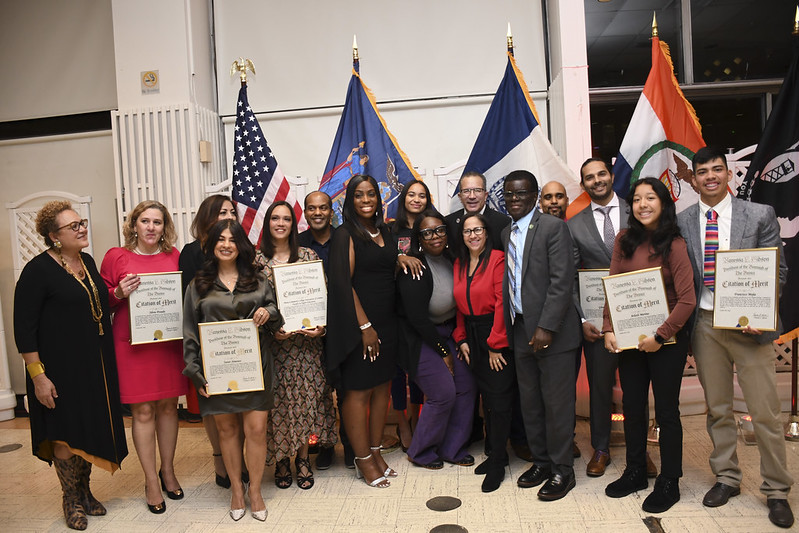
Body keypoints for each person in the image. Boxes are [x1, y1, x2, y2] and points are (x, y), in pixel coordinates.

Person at [677, 147, 794, 528]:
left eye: (716, 169)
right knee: (718, 409)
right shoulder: (683, 221)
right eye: (702, 172)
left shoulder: (758, 214)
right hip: (706, 325)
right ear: (693, 179)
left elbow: (777, 269)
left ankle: (776, 489)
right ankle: (727, 477)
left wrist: (762, 313)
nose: (709, 176)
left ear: (728, 174)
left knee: (764, 412)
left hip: (750, 327)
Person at [14, 201, 128, 530]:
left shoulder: (88, 262)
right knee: (63, 435)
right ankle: (71, 498)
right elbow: (24, 328)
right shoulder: (37, 271)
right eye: (73, 226)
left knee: (87, 429)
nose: (81, 229)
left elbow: (95, 304)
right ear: (54, 236)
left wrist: (117, 292)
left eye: (81, 223)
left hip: (93, 367)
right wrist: (38, 377)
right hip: (58, 370)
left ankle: (86, 491)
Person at [603, 177, 695, 514]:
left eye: (650, 198)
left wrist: (660, 336)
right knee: (632, 406)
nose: (643, 204)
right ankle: (636, 470)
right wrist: (609, 328)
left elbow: (687, 300)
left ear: (663, 203)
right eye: (637, 199)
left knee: (667, 412)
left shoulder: (675, 244)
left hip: (666, 341)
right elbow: (614, 287)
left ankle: (670, 479)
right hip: (629, 341)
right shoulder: (623, 240)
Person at [183, 219, 278, 521]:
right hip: (217, 370)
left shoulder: (259, 279)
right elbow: (188, 332)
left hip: (255, 367)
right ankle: (237, 488)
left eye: (232, 239)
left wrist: (268, 311)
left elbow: (276, 310)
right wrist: (195, 371)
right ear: (211, 245)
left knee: (257, 430)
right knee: (227, 431)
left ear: (241, 246)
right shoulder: (198, 285)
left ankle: (255, 490)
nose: (226, 244)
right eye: (220, 239)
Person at [100, 200, 189, 514]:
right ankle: (151, 481)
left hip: (167, 345)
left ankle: (168, 470)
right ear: (133, 225)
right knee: (142, 412)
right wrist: (118, 293)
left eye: (158, 222)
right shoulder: (116, 256)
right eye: (145, 221)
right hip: (132, 346)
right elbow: (100, 302)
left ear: (165, 227)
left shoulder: (175, 256)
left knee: (168, 408)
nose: (151, 228)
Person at [502, 170, 580, 502]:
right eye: (509, 194)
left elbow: (562, 281)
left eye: (521, 193)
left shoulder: (553, 226)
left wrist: (546, 327)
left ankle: (563, 469)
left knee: (557, 404)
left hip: (554, 333)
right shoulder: (506, 231)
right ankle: (542, 461)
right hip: (520, 328)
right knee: (530, 403)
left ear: (535, 195)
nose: (515, 199)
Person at [255, 201, 337, 491]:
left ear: (293, 224)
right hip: (275, 348)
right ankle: (281, 460)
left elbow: (323, 295)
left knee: (306, 403)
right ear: (268, 223)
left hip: (306, 347)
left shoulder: (307, 255)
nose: (280, 223)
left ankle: (302, 459)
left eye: (286, 219)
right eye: (275, 218)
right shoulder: (257, 261)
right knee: (279, 407)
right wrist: (271, 330)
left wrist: (321, 327)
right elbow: (252, 306)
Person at [326, 174, 399, 488]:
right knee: (358, 393)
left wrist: (403, 257)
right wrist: (365, 327)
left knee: (382, 388)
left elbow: (385, 265)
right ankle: (362, 458)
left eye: (371, 194)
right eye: (359, 195)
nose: (366, 200)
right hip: (359, 326)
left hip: (388, 323)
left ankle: (375, 450)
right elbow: (344, 283)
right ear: (350, 200)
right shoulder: (345, 234)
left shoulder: (384, 229)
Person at [397, 209, 476, 471]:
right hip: (421, 339)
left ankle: (452, 448)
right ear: (419, 237)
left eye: (440, 230)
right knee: (443, 393)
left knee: (466, 386)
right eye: (427, 232)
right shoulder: (414, 266)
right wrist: (443, 351)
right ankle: (420, 451)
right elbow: (417, 319)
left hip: (450, 332)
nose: (435, 237)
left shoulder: (454, 258)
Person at [568, 159, 629, 477]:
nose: (597, 181)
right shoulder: (574, 224)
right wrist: (582, 320)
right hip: (596, 324)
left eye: (601, 174)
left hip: (637, 318)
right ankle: (601, 449)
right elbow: (571, 278)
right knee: (600, 389)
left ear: (612, 176)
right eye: (589, 178)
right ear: (583, 185)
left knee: (636, 387)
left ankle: (638, 451)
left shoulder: (640, 213)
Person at [179, 194, 245, 489]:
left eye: (232, 211)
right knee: (213, 404)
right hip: (209, 342)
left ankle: (239, 458)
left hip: (241, 340)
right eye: (221, 212)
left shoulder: (241, 248)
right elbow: (189, 302)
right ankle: (219, 455)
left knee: (241, 401)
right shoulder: (192, 251)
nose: (228, 215)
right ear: (208, 216)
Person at [453, 212, 512, 493]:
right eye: (467, 231)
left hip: (493, 335)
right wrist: (462, 338)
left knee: (499, 401)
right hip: (472, 337)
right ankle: (494, 453)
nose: (473, 235)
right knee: (486, 400)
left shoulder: (498, 259)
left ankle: (499, 461)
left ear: (486, 233)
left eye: (478, 230)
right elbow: (460, 305)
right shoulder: (459, 263)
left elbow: (502, 304)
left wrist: (494, 344)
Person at [298, 190, 348, 469]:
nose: (318, 213)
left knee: (345, 389)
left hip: (341, 326)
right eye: (312, 209)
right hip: (308, 330)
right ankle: (323, 443)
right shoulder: (297, 243)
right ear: (305, 213)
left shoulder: (344, 238)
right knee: (316, 394)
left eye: (323, 208)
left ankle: (350, 443)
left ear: (332, 211)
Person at [389, 180, 432, 452]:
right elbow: (379, 262)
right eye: (412, 194)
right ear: (404, 197)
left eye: (422, 196)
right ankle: (402, 422)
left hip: (424, 310)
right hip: (393, 309)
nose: (416, 199)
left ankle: (418, 417)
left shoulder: (431, 227)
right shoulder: (390, 229)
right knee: (396, 372)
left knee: (419, 367)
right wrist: (397, 259)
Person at [445, 171, 510, 253]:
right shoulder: (449, 223)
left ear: (486, 195)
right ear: (460, 196)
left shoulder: (503, 223)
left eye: (477, 190)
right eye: (466, 191)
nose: (472, 196)